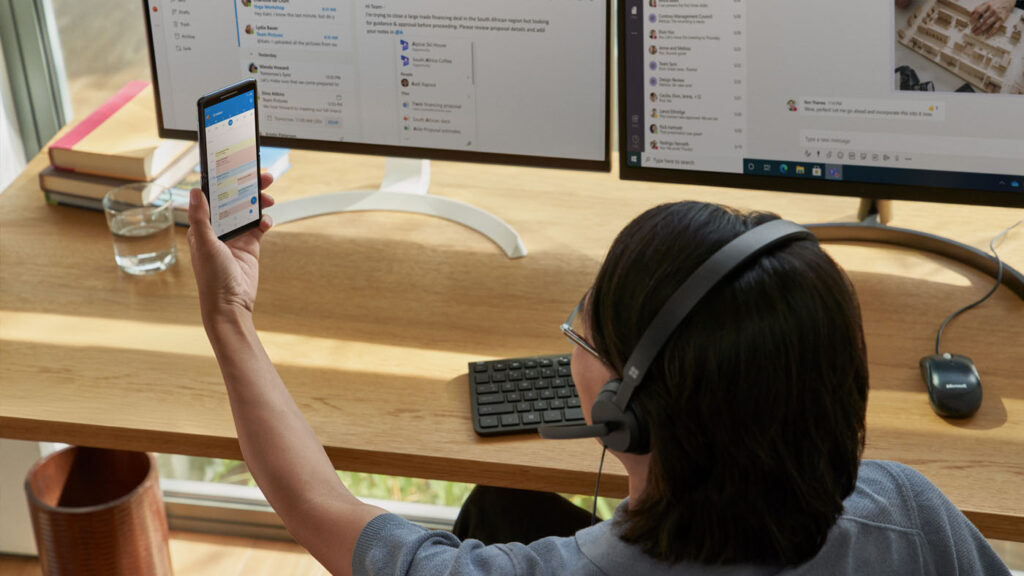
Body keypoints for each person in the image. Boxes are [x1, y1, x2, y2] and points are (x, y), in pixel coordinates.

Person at [188, 182, 1011, 576]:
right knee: (502, 507)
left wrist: (230, 313)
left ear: (624, 413)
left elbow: (316, 504)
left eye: (587, 326)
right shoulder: (910, 515)